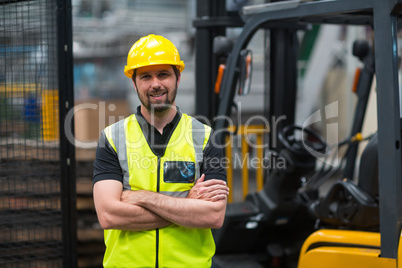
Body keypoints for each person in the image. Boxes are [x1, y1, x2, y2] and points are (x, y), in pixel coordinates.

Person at [93, 34, 229, 268]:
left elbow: (213, 216)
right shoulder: (112, 139)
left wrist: (142, 197)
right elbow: (109, 216)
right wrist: (187, 204)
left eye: (163, 74)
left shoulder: (206, 137)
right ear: (134, 83)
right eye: (146, 76)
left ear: (178, 78)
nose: (155, 83)